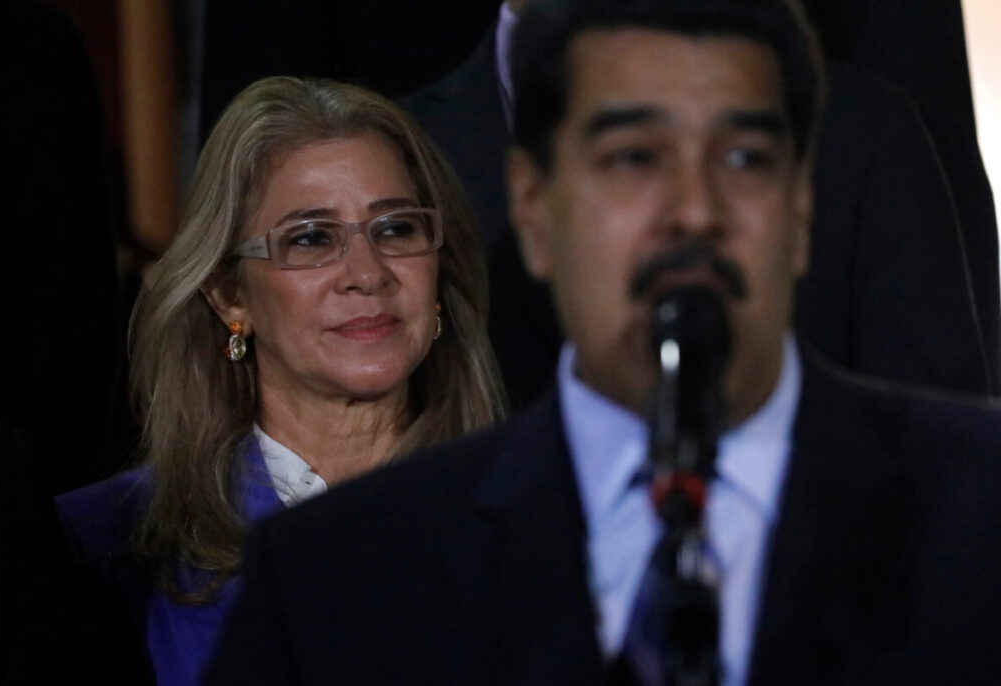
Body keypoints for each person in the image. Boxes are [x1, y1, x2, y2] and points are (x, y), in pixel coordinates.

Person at [206, 2, 1001, 685]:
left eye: (743, 158)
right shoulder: (334, 576)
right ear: (533, 210)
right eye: (632, 159)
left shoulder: (977, 517)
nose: (694, 211)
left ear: (799, 210)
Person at [55, 76, 506, 686]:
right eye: (311, 238)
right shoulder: (105, 546)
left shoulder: (547, 518)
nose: (367, 273)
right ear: (229, 294)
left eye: (396, 228)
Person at [402, 0, 995, 411]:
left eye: (743, 161)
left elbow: (939, 455)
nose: (694, 212)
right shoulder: (398, 148)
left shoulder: (864, 130)